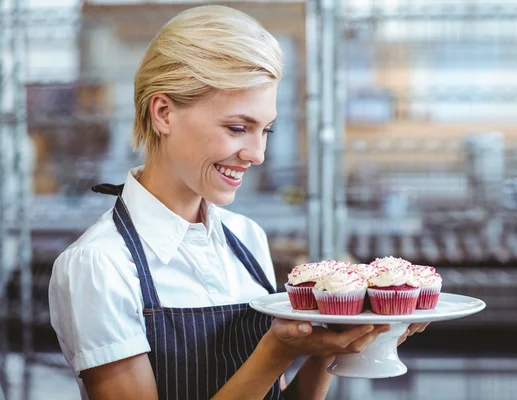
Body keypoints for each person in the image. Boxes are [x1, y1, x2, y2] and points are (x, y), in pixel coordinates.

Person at [48, 5, 427, 400]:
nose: (257, 154)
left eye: (265, 130)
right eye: (237, 128)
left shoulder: (245, 238)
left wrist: (336, 340)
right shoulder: (100, 265)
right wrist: (275, 351)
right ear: (163, 113)